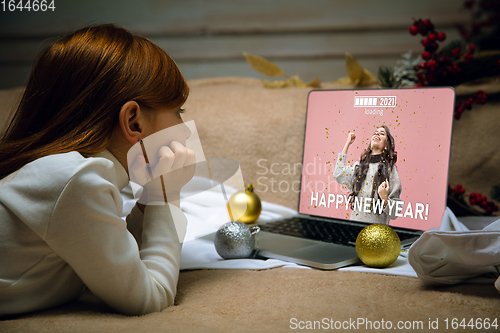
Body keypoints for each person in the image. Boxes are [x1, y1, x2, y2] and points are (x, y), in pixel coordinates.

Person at [0, 24, 195, 316]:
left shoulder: (70, 174)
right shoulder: (75, 179)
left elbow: (111, 258)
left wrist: (150, 197)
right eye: (178, 113)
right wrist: (165, 196)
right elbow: (149, 298)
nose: (186, 133)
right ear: (134, 122)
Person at [333, 126, 402, 224]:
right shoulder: (359, 167)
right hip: (354, 231)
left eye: (382, 133)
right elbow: (338, 174)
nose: (377, 134)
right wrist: (347, 144)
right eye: (375, 132)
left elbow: (395, 213)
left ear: (386, 145)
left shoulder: (391, 170)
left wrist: (384, 198)